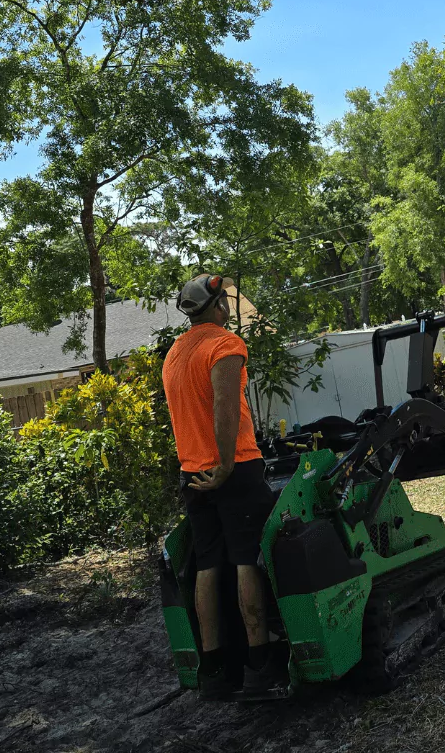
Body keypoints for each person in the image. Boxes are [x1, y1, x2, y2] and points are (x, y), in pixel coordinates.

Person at [162, 273, 283, 698]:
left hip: (192, 474)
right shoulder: (225, 345)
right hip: (234, 470)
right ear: (218, 306)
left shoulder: (175, 352)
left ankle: (213, 669)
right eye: (226, 300)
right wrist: (228, 464)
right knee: (248, 560)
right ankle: (259, 665)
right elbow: (225, 407)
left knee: (209, 565)